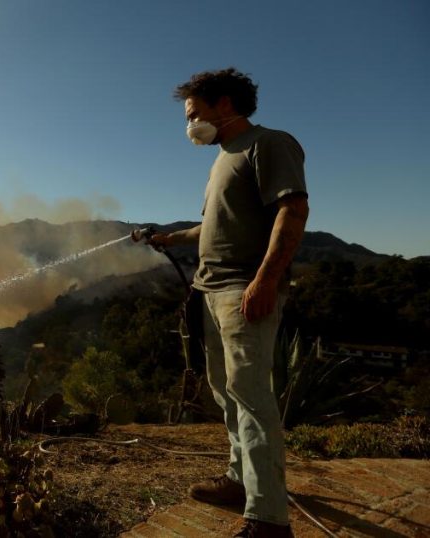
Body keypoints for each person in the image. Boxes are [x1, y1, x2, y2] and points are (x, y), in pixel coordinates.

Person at [138, 68, 308, 538]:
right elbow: (214, 225)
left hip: (242, 291)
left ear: (225, 105)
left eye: (194, 114)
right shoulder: (222, 159)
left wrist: (263, 283)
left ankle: (269, 519)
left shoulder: (268, 144)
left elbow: (292, 210)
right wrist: (174, 237)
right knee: (226, 392)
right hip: (210, 291)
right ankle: (240, 480)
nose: (190, 124)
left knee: (252, 397)